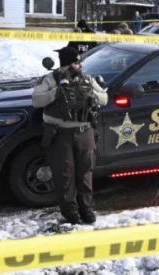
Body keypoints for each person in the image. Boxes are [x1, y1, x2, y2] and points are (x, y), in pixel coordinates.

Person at [32, 47, 107, 225]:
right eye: (75, 62)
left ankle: (87, 209)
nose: (79, 66)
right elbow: (36, 100)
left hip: (85, 131)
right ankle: (71, 212)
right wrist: (57, 92)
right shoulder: (51, 80)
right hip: (61, 134)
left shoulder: (87, 80)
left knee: (85, 173)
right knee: (64, 175)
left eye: (79, 62)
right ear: (66, 65)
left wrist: (90, 93)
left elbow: (104, 98)